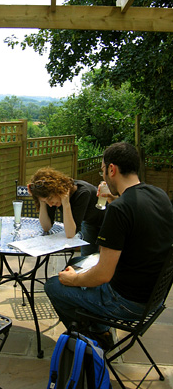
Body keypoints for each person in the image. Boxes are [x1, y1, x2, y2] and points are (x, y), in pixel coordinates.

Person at [44, 142, 173, 349]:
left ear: (112, 169)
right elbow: (135, 219)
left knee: (54, 285)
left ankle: (94, 339)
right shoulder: (159, 195)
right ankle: (96, 328)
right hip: (154, 299)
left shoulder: (119, 210)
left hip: (127, 303)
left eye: (103, 170)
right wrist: (112, 199)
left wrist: (74, 280)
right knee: (78, 261)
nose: (102, 175)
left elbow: (103, 275)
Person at [27, 167, 106, 257]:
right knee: (87, 259)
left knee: (106, 259)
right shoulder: (52, 197)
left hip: (107, 221)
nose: (50, 204)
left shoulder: (82, 193)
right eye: (46, 201)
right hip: (89, 222)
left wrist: (66, 204)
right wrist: (41, 200)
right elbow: (46, 227)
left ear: (56, 189)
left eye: (49, 199)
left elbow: (70, 233)